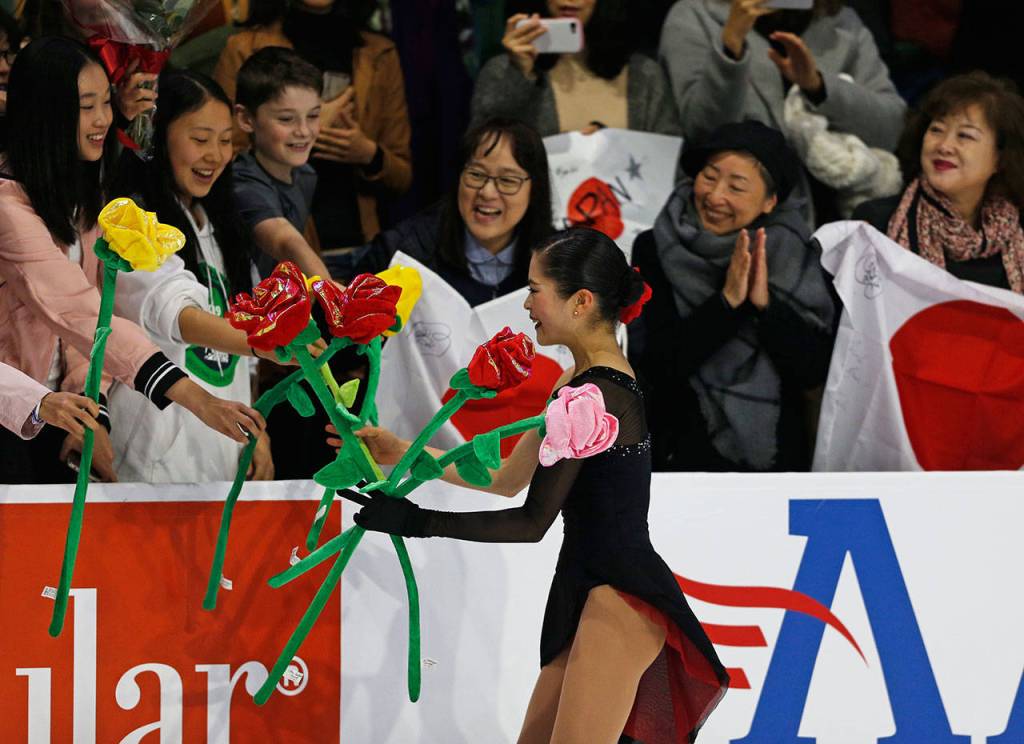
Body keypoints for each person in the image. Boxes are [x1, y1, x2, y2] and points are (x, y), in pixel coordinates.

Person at [337, 227, 728, 743]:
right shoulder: (574, 384)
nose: (526, 303)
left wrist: (416, 521)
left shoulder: (597, 395)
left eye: (536, 289)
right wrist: (401, 454)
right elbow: (504, 481)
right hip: (590, 590)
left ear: (581, 301)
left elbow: (530, 523)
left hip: (622, 597)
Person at [0, 37, 264, 485]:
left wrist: (92, 410)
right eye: (88, 106)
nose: (105, 119)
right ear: (44, 113)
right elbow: (77, 311)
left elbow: (83, 328)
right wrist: (198, 397)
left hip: (53, 415)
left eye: (107, 102)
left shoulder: (81, 201)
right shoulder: (8, 205)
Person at [630, 121, 836, 471]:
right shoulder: (655, 246)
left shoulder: (794, 253)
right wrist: (726, 304)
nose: (715, 196)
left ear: (770, 201)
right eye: (709, 177)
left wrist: (765, 308)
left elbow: (814, 371)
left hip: (776, 458)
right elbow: (655, 367)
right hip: (679, 450)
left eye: (736, 186)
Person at [108, 69, 278, 482]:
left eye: (225, 142)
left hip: (221, 458)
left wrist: (258, 434)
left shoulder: (223, 228)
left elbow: (242, 363)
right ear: (159, 135)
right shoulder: (132, 221)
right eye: (200, 140)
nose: (215, 155)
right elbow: (174, 313)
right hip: (147, 465)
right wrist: (271, 343)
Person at [659, 0, 905, 224]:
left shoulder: (844, 24)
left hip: (836, 220)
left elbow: (891, 128)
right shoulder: (696, 14)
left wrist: (818, 87)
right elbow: (702, 131)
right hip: (734, 219)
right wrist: (730, 48)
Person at [213, 0, 411, 248]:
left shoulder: (380, 53)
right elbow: (221, 163)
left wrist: (368, 154)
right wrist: (307, 131)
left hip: (365, 244)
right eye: (286, 116)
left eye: (312, 115)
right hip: (282, 247)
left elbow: (402, 175)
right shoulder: (245, 48)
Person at [347, 116, 553, 306]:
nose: (487, 192)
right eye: (476, 174)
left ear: (535, 189)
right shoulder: (402, 252)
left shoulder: (558, 263)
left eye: (507, 180)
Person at [854, 72, 1024, 293]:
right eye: (936, 130)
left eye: (965, 135)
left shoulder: (1016, 240)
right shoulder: (876, 222)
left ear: (1000, 159)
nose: (944, 146)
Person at [472, 0, 680, 136]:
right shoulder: (502, 70)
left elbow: (669, 164)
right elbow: (480, 150)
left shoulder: (645, 74)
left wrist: (613, 148)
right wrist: (518, 73)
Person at [230, 46, 331, 281]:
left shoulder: (306, 175)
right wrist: (330, 293)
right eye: (286, 119)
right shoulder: (242, 181)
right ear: (246, 119)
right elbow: (285, 241)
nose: (304, 131)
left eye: (313, 115)